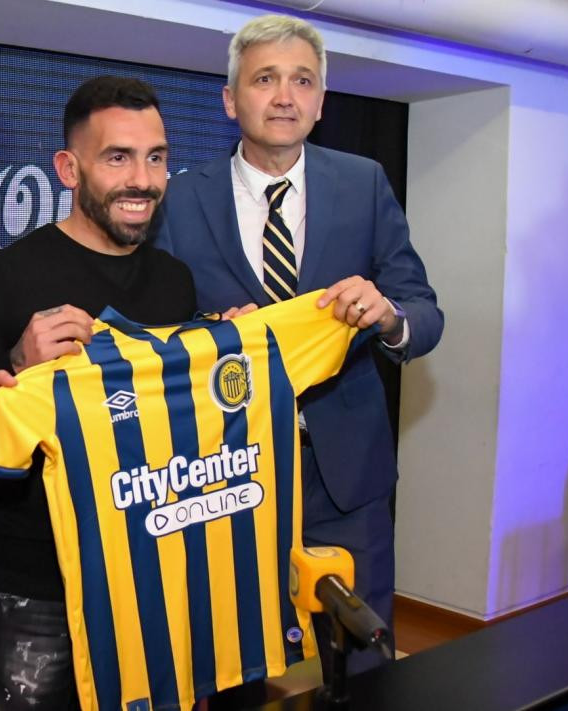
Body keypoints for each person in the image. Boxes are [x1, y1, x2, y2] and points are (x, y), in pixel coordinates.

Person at [155, 13, 443, 678]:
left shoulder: (364, 183)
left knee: (360, 661)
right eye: (264, 79)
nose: (284, 96)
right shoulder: (178, 199)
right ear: (231, 100)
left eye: (301, 81)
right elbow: (154, 337)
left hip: (345, 478)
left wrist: (388, 314)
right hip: (224, 472)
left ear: (320, 101)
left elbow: (425, 313)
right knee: (235, 659)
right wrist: (208, 335)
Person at [0, 76, 200, 709]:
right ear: (68, 168)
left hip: (153, 569)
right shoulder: (7, 276)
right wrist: (19, 372)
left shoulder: (175, 282)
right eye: (117, 157)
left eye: (155, 157)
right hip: (37, 586)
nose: (142, 179)